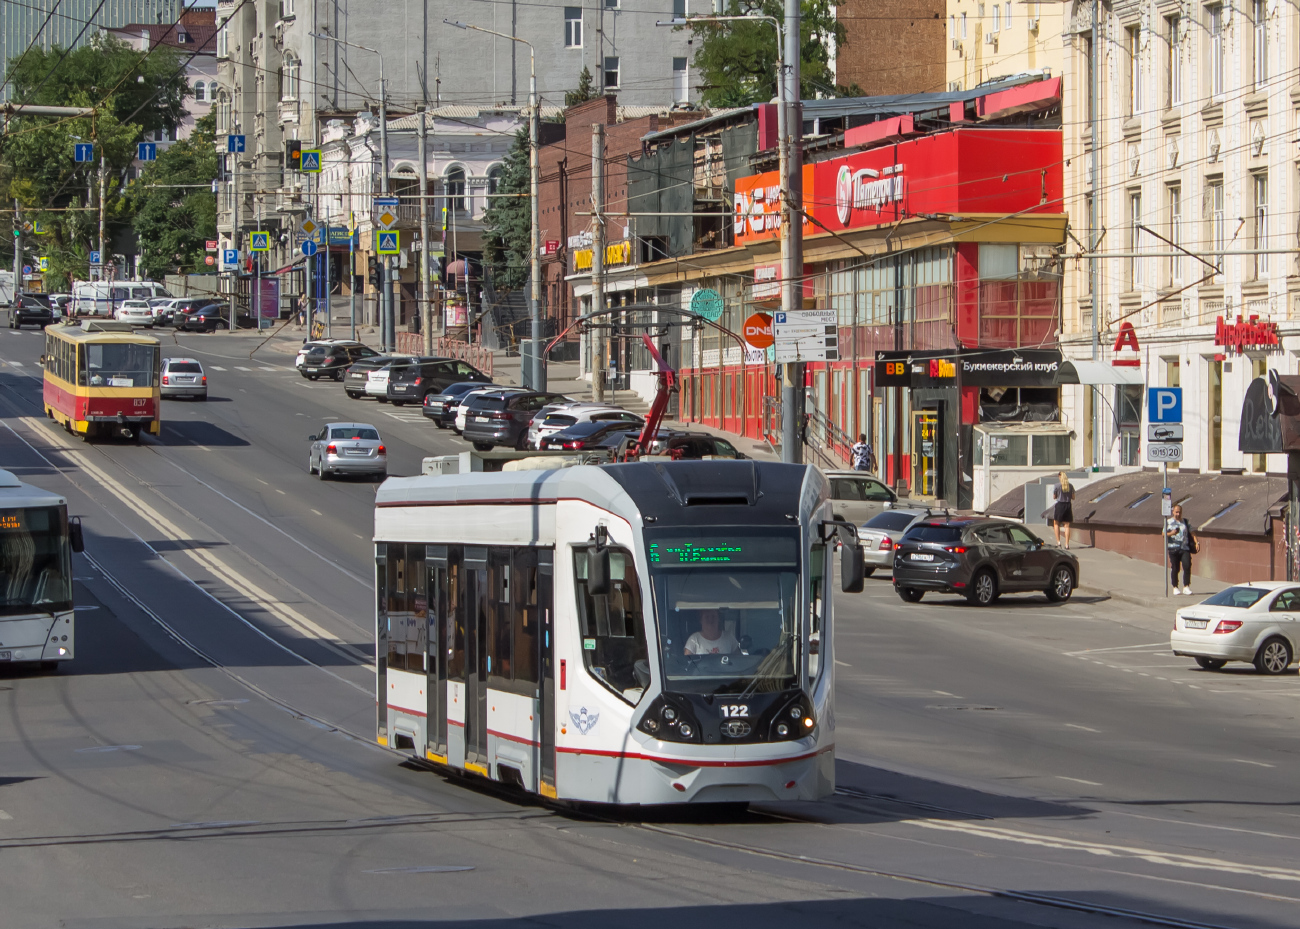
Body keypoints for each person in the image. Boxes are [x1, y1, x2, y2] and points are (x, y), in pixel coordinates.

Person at [1165, 503, 1196, 595]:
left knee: (1187, 565)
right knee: (1175, 568)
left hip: (1184, 548)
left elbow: (1192, 532)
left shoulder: (1185, 522)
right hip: (1173, 548)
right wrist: (1172, 533)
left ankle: (1186, 586)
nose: (1178, 514)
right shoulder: (1168, 522)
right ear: (1173, 512)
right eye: (1176, 512)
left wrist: (1196, 542)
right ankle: (1175, 587)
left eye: (1180, 512)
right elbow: (1164, 534)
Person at [1049, 471, 1074, 548]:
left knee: (1056, 523)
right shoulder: (1070, 486)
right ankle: (1067, 544)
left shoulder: (1057, 485)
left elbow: (1054, 497)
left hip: (1060, 505)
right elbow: (1073, 497)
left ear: (1060, 477)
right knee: (1067, 525)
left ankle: (1058, 542)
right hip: (1068, 505)